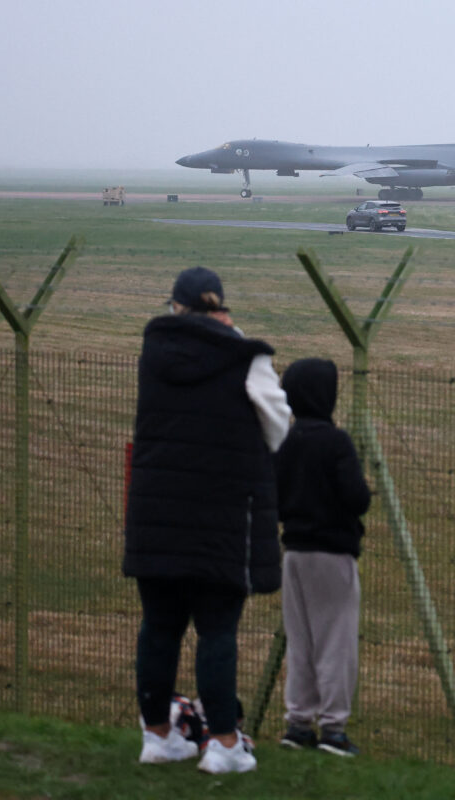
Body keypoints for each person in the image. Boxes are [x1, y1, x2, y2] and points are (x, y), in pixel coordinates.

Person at [123, 266, 291, 773]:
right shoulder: (243, 355)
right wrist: (234, 336)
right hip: (221, 513)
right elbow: (279, 425)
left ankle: (157, 735)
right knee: (217, 631)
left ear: (175, 305)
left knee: (159, 627)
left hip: (157, 509)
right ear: (221, 309)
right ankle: (223, 743)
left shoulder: (154, 351)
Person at [274, 358, 372, 757]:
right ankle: (333, 728)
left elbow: (275, 496)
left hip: (294, 552)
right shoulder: (336, 442)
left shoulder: (284, 440)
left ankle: (298, 723)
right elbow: (358, 499)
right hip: (333, 553)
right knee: (335, 642)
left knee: (301, 643)